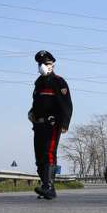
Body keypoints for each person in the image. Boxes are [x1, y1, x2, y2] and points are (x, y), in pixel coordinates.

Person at [28, 50, 72, 199]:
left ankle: (48, 186)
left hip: (53, 124)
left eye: (46, 63)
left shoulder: (59, 82)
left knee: (49, 154)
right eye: (40, 64)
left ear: (52, 64)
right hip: (38, 125)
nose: (43, 66)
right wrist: (32, 113)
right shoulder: (38, 83)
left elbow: (67, 105)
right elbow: (37, 103)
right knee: (39, 156)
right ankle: (46, 185)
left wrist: (64, 123)